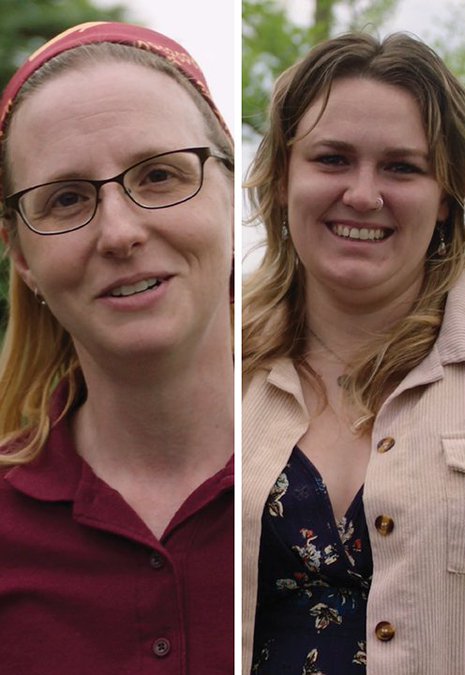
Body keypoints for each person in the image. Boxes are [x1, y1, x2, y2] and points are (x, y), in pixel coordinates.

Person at [0, 22, 234, 671]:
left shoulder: (357, 466)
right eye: (67, 197)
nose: (120, 232)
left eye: (159, 174)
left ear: (231, 196)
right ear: (20, 255)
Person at [240, 33, 465, 674]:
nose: (364, 195)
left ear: (449, 200)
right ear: (283, 178)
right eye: (333, 159)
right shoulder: (219, 364)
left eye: (402, 167)